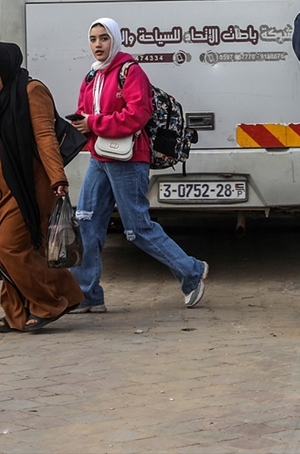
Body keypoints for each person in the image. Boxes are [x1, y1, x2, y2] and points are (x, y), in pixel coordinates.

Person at [69, 18, 209, 312]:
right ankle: (87, 295)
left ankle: (192, 271)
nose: (97, 44)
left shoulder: (130, 72)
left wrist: (93, 123)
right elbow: (84, 113)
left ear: (115, 40)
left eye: (103, 38)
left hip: (129, 160)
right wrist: (82, 125)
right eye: (93, 39)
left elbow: (138, 115)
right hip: (100, 158)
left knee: (137, 229)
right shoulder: (91, 77)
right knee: (86, 222)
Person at [0, 43, 84, 332]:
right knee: (8, 249)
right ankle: (17, 311)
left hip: (29, 185)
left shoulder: (31, 91)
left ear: (5, 68)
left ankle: (51, 303)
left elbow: (44, 137)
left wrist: (58, 178)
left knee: (8, 248)